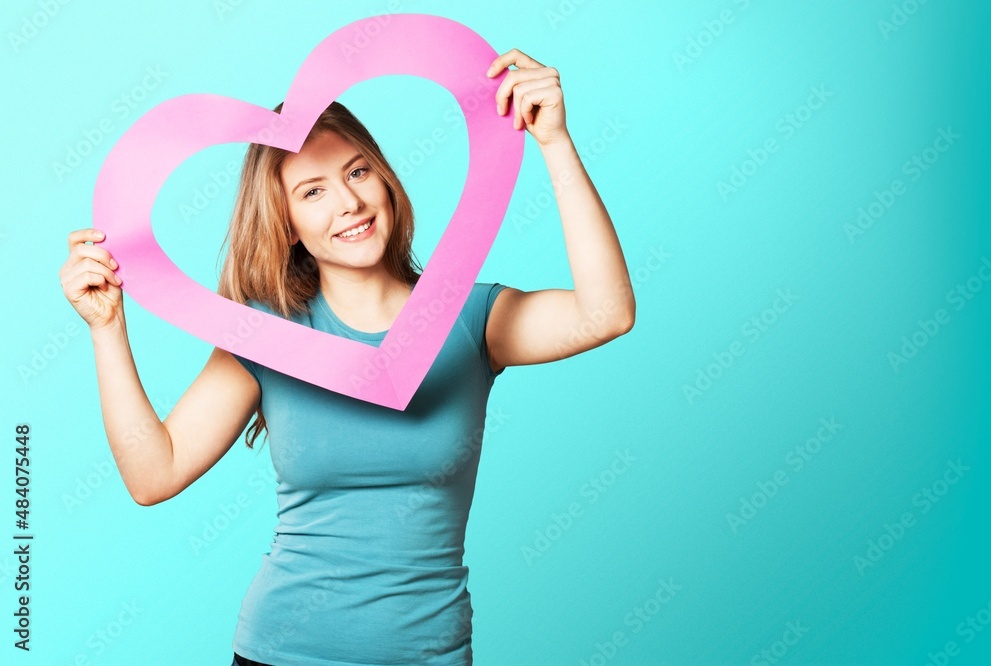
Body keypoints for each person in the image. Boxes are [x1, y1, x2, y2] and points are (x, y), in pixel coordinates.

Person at [59, 48, 635, 665]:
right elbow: (154, 474)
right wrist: (106, 329)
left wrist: (553, 141)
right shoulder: (266, 334)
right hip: (281, 653)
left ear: (386, 178)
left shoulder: (471, 318)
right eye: (313, 191)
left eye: (358, 173)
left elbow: (608, 312)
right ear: (287, 224)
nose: (348, 204)